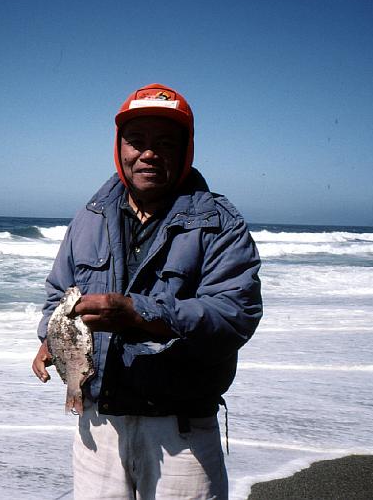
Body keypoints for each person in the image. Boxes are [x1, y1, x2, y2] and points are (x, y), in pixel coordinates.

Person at [32, 83, 262, 499]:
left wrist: (140, 314)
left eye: (164, 143)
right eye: (136, 141)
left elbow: (234, 314)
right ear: (119, 147)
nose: (149, 153)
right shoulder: (88, 217)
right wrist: (50, 337)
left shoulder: (220, 223)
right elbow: (57, 294)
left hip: (182, 430)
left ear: (185, 149)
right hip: (97, 424)